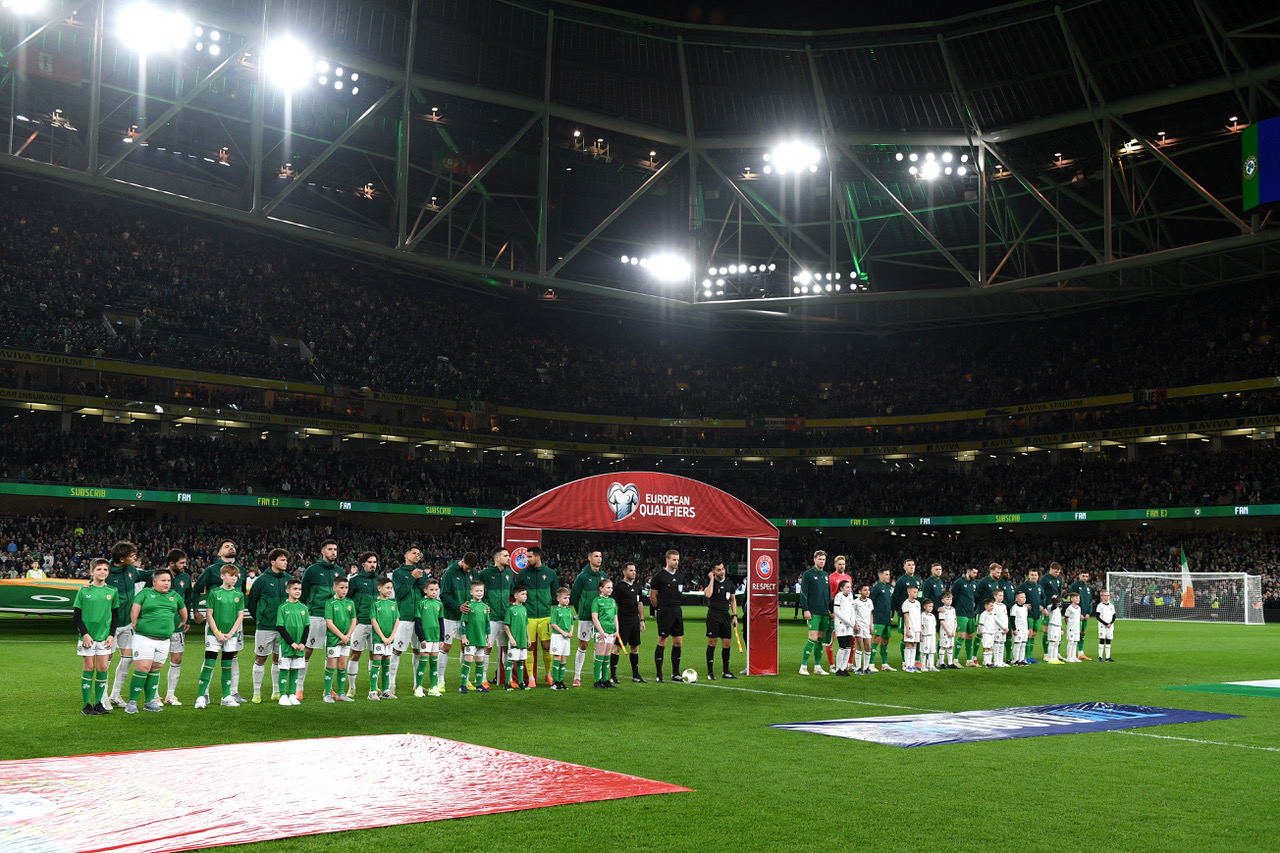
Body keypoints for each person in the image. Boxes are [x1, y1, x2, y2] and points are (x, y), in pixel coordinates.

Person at [127, 567, 187, 714]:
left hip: (164, 640)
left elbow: (183, 610)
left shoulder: (174, 596)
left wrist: (183, 621)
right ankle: (132, 702)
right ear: (154, 581)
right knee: (143, 668)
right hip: (144, 638)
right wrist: (134, 621)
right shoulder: (146, 593)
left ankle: (149, 702)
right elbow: (135, 608)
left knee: (155, 669)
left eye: (168, 581)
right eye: (163, 580)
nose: (166, 583)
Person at [106, 541, 150, 708]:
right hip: (109, 625)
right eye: (132, 556)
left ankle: (115, 695)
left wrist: (163, 575)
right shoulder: (107, 573)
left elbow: (146, 575)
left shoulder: (131, 570)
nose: (135, 558)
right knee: (106, 662)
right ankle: (103, 698)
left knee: (128, 658)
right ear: (122, 559)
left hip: (127, 624)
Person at [196, 563, 245, 709]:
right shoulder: (214, 593)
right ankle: (200, 697)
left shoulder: (239, 595)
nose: (234, 578)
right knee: (209, 664)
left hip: (231, 636)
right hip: (214, 635)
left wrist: (230, 633)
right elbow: (209, 614)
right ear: (222, 576)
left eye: (235, 576)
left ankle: (225, 697)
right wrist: (217, 632)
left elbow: (240, 616)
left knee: (227, 666)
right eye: (230, 575)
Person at [73, 558, 118, 715]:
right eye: (99, 569)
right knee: (89, 667)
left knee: (103, 668)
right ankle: (87, 705)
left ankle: (99, 703)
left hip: (104, 637)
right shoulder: (84, 591)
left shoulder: (112, 591)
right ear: (91, 572)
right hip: (87, 638)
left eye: (105, 569)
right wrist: (84, 634)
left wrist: (112, 635)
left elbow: (115, 615)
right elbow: (77, 616)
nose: (102, 572)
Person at [299, 539, 343, 699]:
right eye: (330, 549)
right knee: (307, 651)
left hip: (334, 618)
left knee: (332, 654)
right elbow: (303, 595)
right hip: (315, 616)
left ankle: (328, 689)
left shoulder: (339, 571)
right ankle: (298, 688)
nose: (333, 552)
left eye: (335, 549)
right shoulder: (312, 570)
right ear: (322, 552)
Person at [247, 548, 292, 704]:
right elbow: (252, 602)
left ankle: (276, 691)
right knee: (260, 658)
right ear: (273, 562)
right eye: (282, 560)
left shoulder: (290, 579)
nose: (286, 562)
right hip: (265, 626)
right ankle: (257, 693)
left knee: (279, 659)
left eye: (286, 560)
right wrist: (260, 618)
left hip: (284, 628)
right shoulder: (262, 580)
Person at [389, 544, 427, 699]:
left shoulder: (422, 573)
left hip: (419, 617)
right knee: (397, 651)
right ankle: (391, 684)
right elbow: (399, 593)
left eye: (419, 553)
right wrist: (412, 577)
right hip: (404, 617)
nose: (417, 555)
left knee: (418, 651)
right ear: (406, 555)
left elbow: (424, 592)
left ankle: (417, 684)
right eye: (414, 553)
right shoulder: (398, 573)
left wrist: (418, 577)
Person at [515, 547, 557, 686]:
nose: (527, 559)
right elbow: (516, 591)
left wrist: (547, 604)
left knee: (547, 646)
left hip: (545, 616)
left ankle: (548, 674)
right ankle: (531, 678)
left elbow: (555, 593)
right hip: (529, 616)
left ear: (538, 557)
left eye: (530, 557)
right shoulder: (523, 574)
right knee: (530, 647)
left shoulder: (550, 573)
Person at [439, 552, 478, 693]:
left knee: (466, 647)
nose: (469, 571)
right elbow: (444, 594)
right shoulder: (449, 573)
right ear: (462, 561)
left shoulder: (473, 572)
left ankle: (465, 679)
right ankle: (440, 680)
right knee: (446, 647)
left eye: (471, 570)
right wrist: (458, 607)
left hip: (467, 618)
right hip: (450, 617)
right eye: (467, 568)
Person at [160, 549, 194, 705]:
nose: (184, 565)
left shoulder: (186, 578)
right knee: (157, 662)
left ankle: (170, 695)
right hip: (159, 626)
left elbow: (187, 600)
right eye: (182, 563)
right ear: (171, 563)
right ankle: (153, 695)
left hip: (177, 626)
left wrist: (187, 620)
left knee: (177, 659)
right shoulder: (158, 576)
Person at [572, 550, 610, 686]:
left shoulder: (603, 576)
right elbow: (574, 596)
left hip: (601, 619)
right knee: (583, 644)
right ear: (589, 558)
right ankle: (577, 676)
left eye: (601, 556)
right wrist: (582, 611)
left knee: (599, 646)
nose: (599, 558)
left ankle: (598, 676)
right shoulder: (582, 576)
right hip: (586, 617)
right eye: (596, 556)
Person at [345, 551, 380, 698]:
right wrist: (353, 617)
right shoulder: (355, 581)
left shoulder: (380, 580)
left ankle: (375, 685)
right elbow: (348, 600)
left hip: (376, 624)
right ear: (363, 564)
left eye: (374, 562)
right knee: (355, 654)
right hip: (360, 623)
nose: (373, 565)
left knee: (374, 655)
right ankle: (352, 687)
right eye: (370, 562)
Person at [479, 547, 516, 687]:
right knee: (487, 648)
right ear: (497, 558)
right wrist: (483, 608)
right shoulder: (485, 574)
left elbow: (514, 592)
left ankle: (508, 679)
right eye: (506, 555)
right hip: (491, 618)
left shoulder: (509, 574)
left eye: (509, 555)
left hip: (505, 618)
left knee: (507, 649)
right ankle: (483, 679)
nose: (509, 558)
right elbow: (478, 593)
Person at [649, 549, 684, 683]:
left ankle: (676, 673)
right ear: (667, 560)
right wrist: (659, 608)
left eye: (678, 560)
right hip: (665, 612)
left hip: (677, 611)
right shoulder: (659, 577)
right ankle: (659, 674)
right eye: (674, 560)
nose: (676, 562)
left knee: (678, 642)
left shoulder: (681, 575)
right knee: (662, 641)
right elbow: (653, 596)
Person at [702, 560, 739, 681]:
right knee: (712, 643)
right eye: (718, 569)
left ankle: (726, 671)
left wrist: (734, 615)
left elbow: (733, 600)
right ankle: (710, 672)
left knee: (727, 643)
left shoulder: (729, 583)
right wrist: (712, 579)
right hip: (713, 615)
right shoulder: (710, 582)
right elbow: (708, 594)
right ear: (713, 571)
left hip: (725, 616)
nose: (722, 571)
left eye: (722, 569)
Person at [276, 579, 309, 706]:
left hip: (299, 646)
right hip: (286, 645)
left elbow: (307, 627)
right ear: (288, 590)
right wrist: (292, 643)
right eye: (295, 589)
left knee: (296, 669)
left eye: (299, 589)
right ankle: (283, 695)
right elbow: (280, 627)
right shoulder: (282, 607)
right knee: (284, 669)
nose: (298, 591)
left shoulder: (303, 608)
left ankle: (292, 694)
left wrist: (302, 643)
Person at [798, 550, 832, 676]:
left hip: (824, 613)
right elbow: (803, 594)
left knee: (820, 639)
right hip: (813, 612)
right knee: (812, 637)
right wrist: (806, 609)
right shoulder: (808, 574)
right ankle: (803, 666)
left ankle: (817, 666)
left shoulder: (826, 575)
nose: (822, 561)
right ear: (814, 560)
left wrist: (831, 611)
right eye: (820, 559)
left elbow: (828, 596)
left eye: (823, 559)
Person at [611, 561, 646, 683]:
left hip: (634, 620)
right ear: (624, 571)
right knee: (618, 648)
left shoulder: (637, 587)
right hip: (623, 620)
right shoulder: (619, 586)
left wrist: (642, 619)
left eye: (635, 570)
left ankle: (635, 675)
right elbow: (613, 603)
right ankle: (613, 675)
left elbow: (640, 603)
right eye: (631, 570)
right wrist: (613, 620)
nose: (634, 573)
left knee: (635, 647)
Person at [323, 576, 357, 703]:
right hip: (333, 640)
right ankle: (327, 694)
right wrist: (342, 636)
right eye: (341, 588)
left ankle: (341, 693)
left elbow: (354, 620)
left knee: (342, 666)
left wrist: (347, 636)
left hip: (346, 640)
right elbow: (329, 623)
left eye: (346, 588)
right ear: (334, 588)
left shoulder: (350, 603)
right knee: (331, 665)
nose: (344, 590)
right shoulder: (330, 603)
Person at [414, 578, 445, 696]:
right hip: (425, 638)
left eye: (436, 590)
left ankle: (433, 688)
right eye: (431, 590)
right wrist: (421, 638)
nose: (434, 592)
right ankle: (418, 688)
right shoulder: (421, 603)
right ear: (425, 590)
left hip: (436, 638)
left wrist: (442, 638)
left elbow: (441, 621)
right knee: (423, 663)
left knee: (434, 663)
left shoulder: (439, 604)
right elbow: (418, 622)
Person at [369, 577, 399, 699]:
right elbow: (373, 620)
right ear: (379, 588)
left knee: (387, 662)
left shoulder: (393, 603)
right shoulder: (375, 603)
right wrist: (383, 637)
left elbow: (397, 620)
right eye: (387, 588)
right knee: (376, 662)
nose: (389, 590)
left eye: (391, 588)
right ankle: (372, 692)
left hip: (390, 639)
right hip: (378, 638)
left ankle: (385, 690)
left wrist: (391, 637)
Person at [459, 580, 491, 693]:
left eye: (481, 591)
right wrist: (464, 637)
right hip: (470, 638)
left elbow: (487, 624)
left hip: (481, 638)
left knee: (480, 660)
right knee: (468, 660)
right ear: (471, 592)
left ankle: (479, 684)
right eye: (477, 591)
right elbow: (463, 623)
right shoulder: (468, 606)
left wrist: (489, 638)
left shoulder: (485, 607)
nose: (479, 593)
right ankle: (462, 685)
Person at [891, 558, 922, 665]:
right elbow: (895, 597)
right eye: (908, 565)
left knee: (916, 636)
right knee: (905, 636)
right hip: (904, 613)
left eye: (913, 565)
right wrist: (899, 610)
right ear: (904, 567)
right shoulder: (901, 581)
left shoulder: (918, 580)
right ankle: (905, 661)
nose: (911, 567)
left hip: (915, 614)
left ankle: (916, 660)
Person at [825, 555, 852, 670]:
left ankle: (847, 664)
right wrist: (832, 611)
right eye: (839, 564)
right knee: (832, 638)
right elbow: (830, 595)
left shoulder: (848, 577)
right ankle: (832, 665)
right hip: (835, 611)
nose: (841, 566)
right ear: (835, 565)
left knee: (849, 639)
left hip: (846, 613)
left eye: (843, 564)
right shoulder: (831, 577)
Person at [591, 578, 618, 688]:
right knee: (600, 656)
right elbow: (594, 617)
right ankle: (597, 680)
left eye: (611, 587)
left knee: (607, 656)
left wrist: (617, 630)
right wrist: (601, 631)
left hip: (611, 632)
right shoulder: (596, 601)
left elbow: (615, 617)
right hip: (600, 632)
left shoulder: (612, 601)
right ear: (601, 589)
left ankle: (605, 679)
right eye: (608, 587)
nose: (610, 589)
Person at [950, 566, 979, 667]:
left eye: (976, 573)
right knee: (962, 635)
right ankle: (955, 659)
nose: (975, 575)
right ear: (968, 571)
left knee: (970, 636)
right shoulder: (959, 582)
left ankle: (969, 660)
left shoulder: (974, 584)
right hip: (961, 612)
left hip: (971, 613)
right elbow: (953, 595)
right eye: (974, 573)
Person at [503, 585, 530, 690]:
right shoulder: (510, 609)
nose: (525, 596)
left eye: (526, 594)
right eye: (522, 594)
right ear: (515, 596)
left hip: (523, 639)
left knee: (520, 661)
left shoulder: (524, 609)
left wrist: (528, 638)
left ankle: (521, 683)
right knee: (510, 661)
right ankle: (507, 684)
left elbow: (526, 624)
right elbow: (506, 625)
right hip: (514, 640)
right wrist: (511, 638)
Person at [869, 567, 895, 671]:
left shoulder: (889, 588)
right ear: (880, 576)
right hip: (878, 619)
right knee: (875, 639)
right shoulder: (876, 588)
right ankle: (871, 664)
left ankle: (884, 664)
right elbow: (870, 603)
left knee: (885, 641)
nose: (888, 576)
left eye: (889, 574)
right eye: (886, 575)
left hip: (887, 619)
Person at [1016, 568, 1043, 664]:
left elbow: (1043, 598)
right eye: (1032, 575)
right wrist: (1023, 604)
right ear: (1029, 576)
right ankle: (1026, 657)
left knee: (1034, 635)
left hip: (1037, 614)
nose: (1034, 576)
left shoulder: (1039, 587)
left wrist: (1042, 605)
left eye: (1035, 575)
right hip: (1028, 614)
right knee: (1029, 634)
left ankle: (1030, 657)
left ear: (1038, 576)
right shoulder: (1024, 586)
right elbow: (1016, 595)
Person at [549, 587, 574, 690]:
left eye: (568, 598)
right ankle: (555, 682)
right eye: (565, 598)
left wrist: (571, 632)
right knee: (557, 657)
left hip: (566, 637)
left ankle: (561, 681)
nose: (567, 600)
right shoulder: (556, 610)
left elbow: (572, 623)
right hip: (558, 637)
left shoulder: (569, 610)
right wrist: (563, 632)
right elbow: (553, 623)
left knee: (564, 659)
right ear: (558, 599)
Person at [1040, 562, 1065, 659]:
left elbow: (1059, 592)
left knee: (1058, 629)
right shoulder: (1044, 579)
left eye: (1058, 572)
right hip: (1048, 607)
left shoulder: (1058, 579)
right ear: (1051, 569)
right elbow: (1041, 593)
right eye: (1056, 572)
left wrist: (1061, 603)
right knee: (1046, 629)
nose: (1057, 574)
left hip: (1057, 607)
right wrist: (1043, 607)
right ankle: (1046, 653)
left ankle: (1056, 652)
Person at [831, 578, 855, 676]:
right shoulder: (839, 596)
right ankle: (838, 668)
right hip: (841, 623)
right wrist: (847, 621)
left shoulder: (851, 596)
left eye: (850, 587)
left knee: (848, 646)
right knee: (842, 646)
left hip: (849, 624)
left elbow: (852, 610)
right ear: (841, 588)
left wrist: (852, 622)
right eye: (847, 587)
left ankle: (844, 667)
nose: (850, 589)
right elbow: (836, 611)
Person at [1069, 572, 1095, 660]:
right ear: (1079, 576)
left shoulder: (1088, 588)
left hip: (1085, 615)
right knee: (1076, 633)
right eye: (1083, 576)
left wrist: (1088, 613)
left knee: (1083, 632)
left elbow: (1091, 601)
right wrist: (1078, 613)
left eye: (1086, 576)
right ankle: (1071, 653)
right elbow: (1072, 599)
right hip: (1077, 615)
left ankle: (1081, 653)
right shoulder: (1075, 586)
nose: (1085, 578)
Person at [994, 567, 1017, 664]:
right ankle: (997, 658)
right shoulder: (999, 584)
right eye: (1004, 573)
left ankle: (1008, 657)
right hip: (1003, 612)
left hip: (1011, 613)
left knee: (1009, 635)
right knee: (1003, 634)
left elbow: (1014, 597)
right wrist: (1009, 606)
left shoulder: (1011, 585)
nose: (1007, 575)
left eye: (1008, 573)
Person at [852, 584, 874, 674]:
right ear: (860, 592)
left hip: (867, 626)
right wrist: (855, 624)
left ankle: (866, 668)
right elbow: (852, 614)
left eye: (868, 590)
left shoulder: (870, 601)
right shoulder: (856, 602)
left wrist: (871, 625)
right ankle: (858, 668)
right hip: (859, 626)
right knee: (860, 646)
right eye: (865, 590)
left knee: (868, 647)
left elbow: (871, 614)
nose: (867, 592)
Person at [900, 585, 922, 673]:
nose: (916, 594)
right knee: (908, 645)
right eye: (914, 592)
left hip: (917, 628)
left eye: (917, 592)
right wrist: (907, 630)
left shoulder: (918, 603)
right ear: (909, 592)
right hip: (910, 627)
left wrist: (920, 629)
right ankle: (907, 665)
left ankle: (912, 665)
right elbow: (906, 617)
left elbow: (919, 616)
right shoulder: (906, 604)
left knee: (915, 646)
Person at [938, 592, 958, 669]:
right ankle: (941, 663)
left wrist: (954, 631)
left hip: (952, 631)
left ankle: (950, 663)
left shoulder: (953, 610)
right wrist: (948, 631)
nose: (949, 600)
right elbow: (942, 622)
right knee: (943, 646)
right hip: (945, 632)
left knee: (950, 646)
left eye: (950, 599)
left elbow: (955, 620)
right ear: (943, 600)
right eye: (947, 599)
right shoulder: (942, 610)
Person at [1095, 588, 1116, 662]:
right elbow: (1097, 616)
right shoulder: (1100, 606)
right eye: (1106, 595)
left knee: (1108, 640)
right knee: (1102, 640)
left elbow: (1114, 616)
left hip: (1110, 626)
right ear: (1102, 596)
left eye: (1108, 595)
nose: (1107, 597)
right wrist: (1105, 624)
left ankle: (1108, 657)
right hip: (1102, 626)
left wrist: (1110, 623)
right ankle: (1100, 656)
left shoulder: (1111, 606)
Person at [1010, 590, 1030, 666]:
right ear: (1017, 599)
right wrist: (1014, 629)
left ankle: (1022, 659)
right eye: (1021, 597)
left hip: (1024, 629)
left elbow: (1026, 619)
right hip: (1018, 629)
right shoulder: (1014, 608)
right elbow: (1012, 619)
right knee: (1018, 644)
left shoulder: (1025, 608)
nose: (1024, 599)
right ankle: (1016, 660)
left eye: (1024, 597)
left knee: (1023, 644)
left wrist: (1027, 629)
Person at [991, 588, 1010, 667]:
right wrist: (1003, 627)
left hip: (1004, 629)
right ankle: (996, 661)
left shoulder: (1004, 606)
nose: (1001, 597)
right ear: (995, 596)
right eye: (1000, 595)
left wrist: (1006, 627)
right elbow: (995, 618)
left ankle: (1001, 661)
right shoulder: (993, 606)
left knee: (1002, 644)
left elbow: (1005, 617)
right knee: (997, 644)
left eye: (1002, 595)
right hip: (997, 628)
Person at [977, 598, 998, 668]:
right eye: (991, 606)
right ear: (986, 606)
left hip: (991, 632)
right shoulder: (984, 614)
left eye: (993, 606)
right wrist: (983, 632)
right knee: (987, 647)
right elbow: (980, 624)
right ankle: (986, 663)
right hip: (986, 633)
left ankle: (989, 662)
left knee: (991, 647)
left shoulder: (992, 614)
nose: (992, 607)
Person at [920, 598, 938, 672]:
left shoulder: (933, 616)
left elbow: (934, 626)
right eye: (929, 606)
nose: (931, 608)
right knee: (924, 652)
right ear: (924, 607)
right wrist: (921, 635)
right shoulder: (922, 616)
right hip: (925, 636)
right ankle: (923, 666)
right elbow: (921, 626)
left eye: (932, 606)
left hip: (932, 636)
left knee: (932, 651)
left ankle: (931, 666)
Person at [1045, 596, 1064, 663]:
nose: (1059, 604)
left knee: (1057, 643)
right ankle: (1050, 658)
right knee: (1052, 643)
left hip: (1058, 627)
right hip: (1053, 626)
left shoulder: (1058, 609)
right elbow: (1054, 607)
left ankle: (1055, 658)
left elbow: (1059, 620)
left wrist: (1062, 629)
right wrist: (1053, 599)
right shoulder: (1050, 607)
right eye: (1058, 602)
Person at [1064, 592, 1083, 663]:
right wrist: (1069, 625)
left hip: (1077, 627)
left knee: (1075, 642)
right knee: (1071, 641)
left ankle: (1074, 656)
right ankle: (1069, 657)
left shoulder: (1079, 608)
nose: (1078, 599)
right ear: (1072, 599)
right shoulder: (1069, 608)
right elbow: (1066, 618)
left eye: (1078, 598)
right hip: (1071, 628)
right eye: (1076, 598)